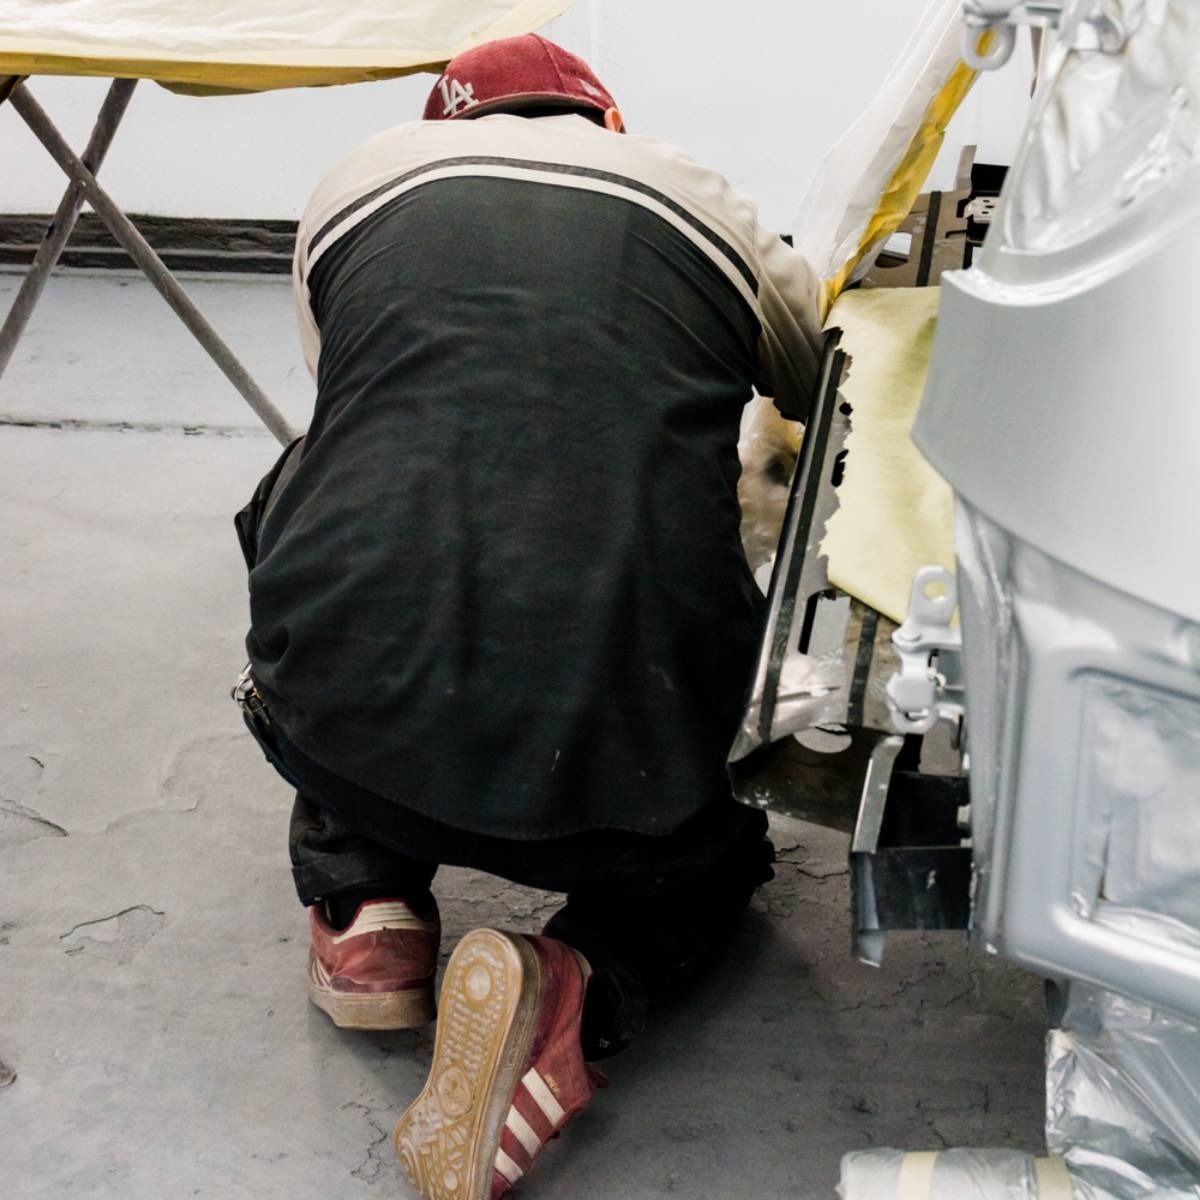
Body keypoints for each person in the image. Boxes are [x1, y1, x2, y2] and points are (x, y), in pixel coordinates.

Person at [235, 32, 823, 1200]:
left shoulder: (357, 180)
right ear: (603, 122)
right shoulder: (695, 190)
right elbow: (819, 389)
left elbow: (355, 400)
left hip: (356, 709)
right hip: (625, 756)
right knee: (714, 860)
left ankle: (368, 907)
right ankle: (576, 985)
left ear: (442, 125)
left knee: (341, 497)